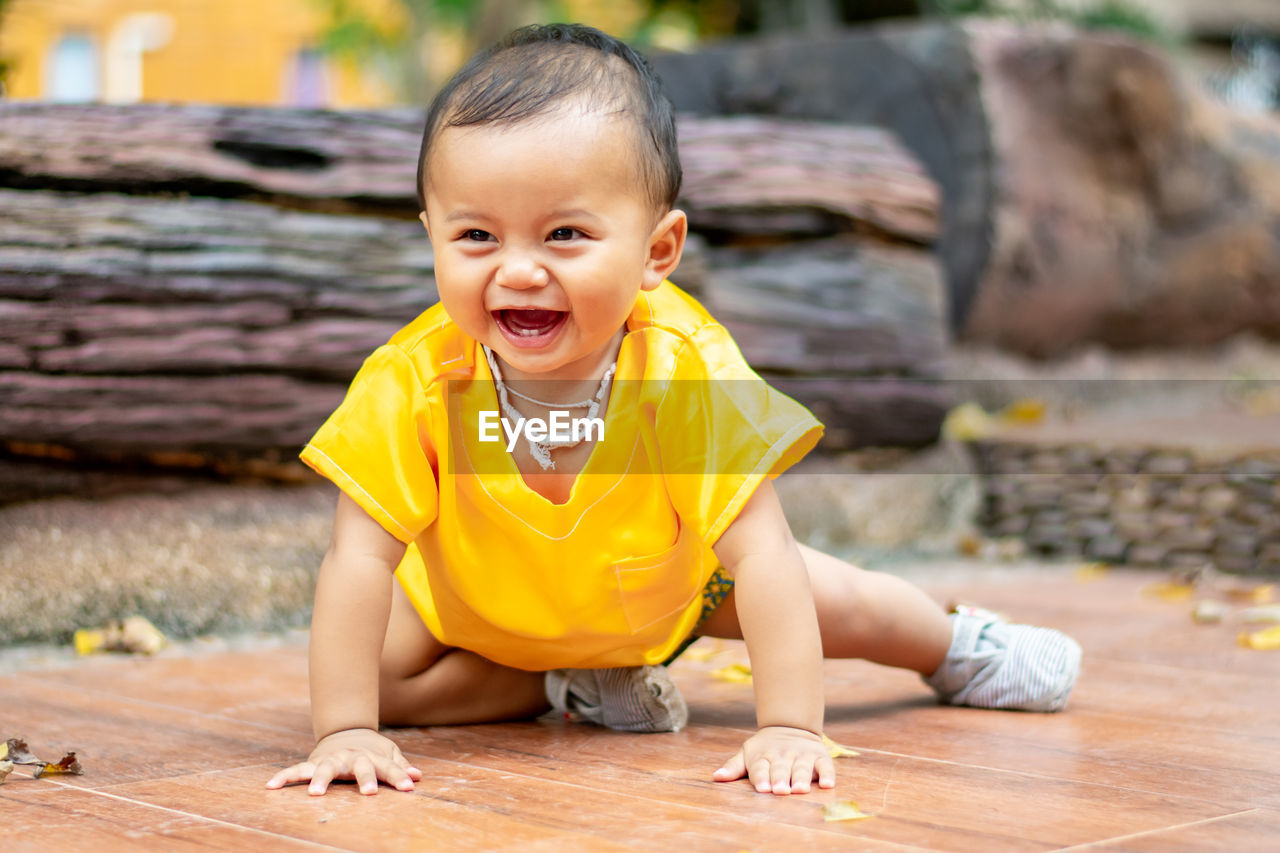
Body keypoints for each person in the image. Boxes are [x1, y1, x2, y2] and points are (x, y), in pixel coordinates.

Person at [266, 23, 1080, 800]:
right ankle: (576, 682)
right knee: (371, 678)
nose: (517, 270)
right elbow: (359, 560)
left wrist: (789, 725)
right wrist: (343, 730)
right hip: (485, 605)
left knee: (846, 604)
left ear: (657, 251)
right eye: (476, 235)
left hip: (675, 584)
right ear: (431, 237)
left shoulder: (680, 369)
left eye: (565, 235)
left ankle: (958, 645)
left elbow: (763, 556)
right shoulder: (415, 378)